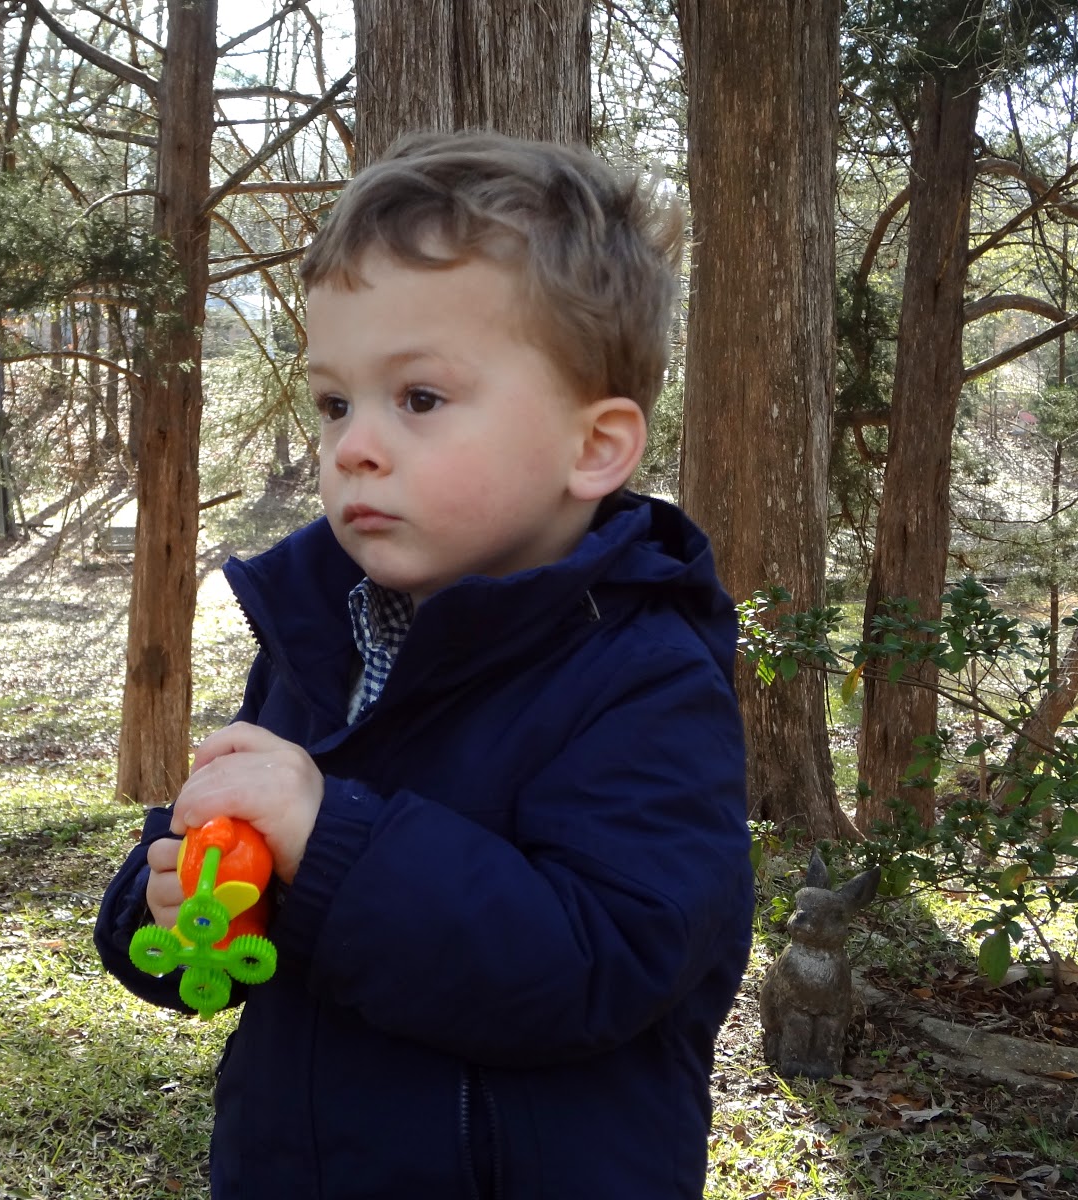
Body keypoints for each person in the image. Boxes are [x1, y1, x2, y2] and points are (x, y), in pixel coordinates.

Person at [95, 130, 751, 1199]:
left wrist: (327, 840)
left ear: (594, 448)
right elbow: (234, 881)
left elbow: (600, 964)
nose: (353, 446)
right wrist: (170, 897)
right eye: (333, 402)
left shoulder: (643, 677)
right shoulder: (323, 630)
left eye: (420, 399)